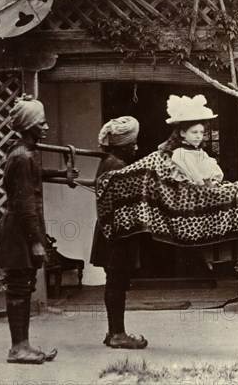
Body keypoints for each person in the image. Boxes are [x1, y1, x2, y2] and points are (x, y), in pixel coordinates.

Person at [0, 94, 77, 364]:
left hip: (21, 230)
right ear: (29, 125)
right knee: (19, 287)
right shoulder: (22, 157)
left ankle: (23, 344)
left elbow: (37, 174)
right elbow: (25, 205)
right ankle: (18, 348)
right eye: (41, 123)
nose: (46, 127)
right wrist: (36, 241)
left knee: (23, 286)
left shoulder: (23, 152)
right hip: (19, 232)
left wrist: (61, 176)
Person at [90, 116, 148, 349]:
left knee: (115, 281)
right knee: (116, 282)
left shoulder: (110, 162)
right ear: (122, 144)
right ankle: (117, 334)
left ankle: (114, 331)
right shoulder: (117, 166)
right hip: (117, 233)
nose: (136, 147)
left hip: (111, 231)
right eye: (132, 143)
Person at [159, 94, 223, 185]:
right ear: (182, 133)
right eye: (194, 132)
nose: (199, 136)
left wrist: (214, 182)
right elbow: (194, 180)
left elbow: (215, 174)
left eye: (201, 132)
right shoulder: (179, 154)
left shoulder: (201, 153)